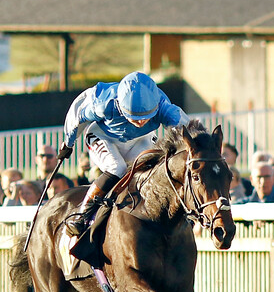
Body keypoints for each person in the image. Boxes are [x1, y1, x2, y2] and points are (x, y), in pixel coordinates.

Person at [59, 72, 190, 236]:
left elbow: (191, 133)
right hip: (103, 136)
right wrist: (68, 143)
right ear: (121, 106)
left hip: (139, 139)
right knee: (117, 167)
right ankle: (82, 214)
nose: (141, 122)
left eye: (146, 117)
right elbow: (77, 117)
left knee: (152, 168)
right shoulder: (104, 104)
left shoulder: (164, 107)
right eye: (135, 117)